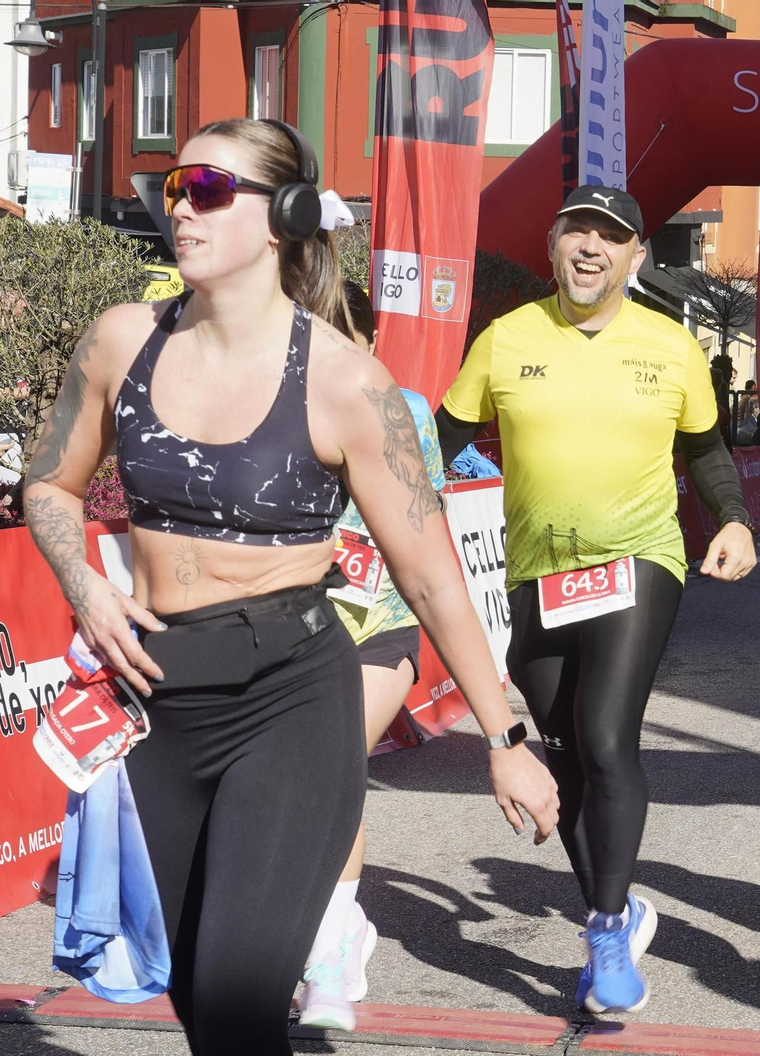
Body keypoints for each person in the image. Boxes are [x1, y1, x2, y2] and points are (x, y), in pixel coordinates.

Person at [21, 118, 559, 1056]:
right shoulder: (119, 343)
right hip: (156, 702)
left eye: (211, 188)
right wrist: (87, 587)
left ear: (287, 217)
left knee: (235, 1003)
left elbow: (430, 576)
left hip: (290, 703)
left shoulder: (348, 382)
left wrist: (504, 737)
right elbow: (48, 486)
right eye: (175, 185)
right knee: (198, 993)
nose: (181, 205)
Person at [435, 184, 758, 1014]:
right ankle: (614, 906)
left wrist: (734, 519)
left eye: (610, 238)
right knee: (568, 760)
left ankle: (607, 933)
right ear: (551, 244)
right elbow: (435, 444)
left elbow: (707, 450)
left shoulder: (670, 344)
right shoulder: (504, 340)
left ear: (636, 257)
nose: (591, 248)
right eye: (577, 231)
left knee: (605, 736)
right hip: (536, 574)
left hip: (639, 560)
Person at [292, 280, 449, 1031]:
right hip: (290, 628)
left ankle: (326, 946)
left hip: (378, 621)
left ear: (373, 346)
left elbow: (426, 530)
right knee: (289, 782)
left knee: (332, 761)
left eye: (342, 340)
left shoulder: (405, 412)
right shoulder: (274, 400)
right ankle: (342, 929)